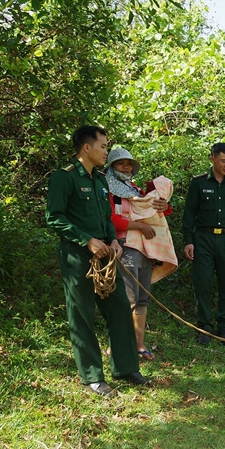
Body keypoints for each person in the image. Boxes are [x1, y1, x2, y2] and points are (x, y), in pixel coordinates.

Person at [46, 125, 149, 397]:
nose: (106, 151)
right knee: (82, 316)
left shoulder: (100, 179)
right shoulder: (64, 178)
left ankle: (126, 368)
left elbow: (105, 218)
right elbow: (54, 218)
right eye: (103, 146)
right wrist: (86, 240)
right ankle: (92, 376)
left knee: (118, 309)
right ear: (86, 147)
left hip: (106, 255)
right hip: (77, 256)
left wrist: (113, 239)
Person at [106, 147, 178, 361]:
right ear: (111, 166)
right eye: (120, 163)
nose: (126, 167)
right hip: (124, 245)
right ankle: (117, 345)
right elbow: (109, 219)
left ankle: (138, 344)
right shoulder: (107, 189)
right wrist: (136, 226)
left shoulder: (134, 189)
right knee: (125, 298)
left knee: (141, 298)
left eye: (129, 164)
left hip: (146, 248)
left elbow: (151, 210)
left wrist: (164, 206)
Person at [181, 142, 225, 345]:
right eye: (223, 161)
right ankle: (204, 328)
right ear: (212, 158)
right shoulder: (199, 183)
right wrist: (188, 241)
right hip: (203, 239)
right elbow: (189, 214)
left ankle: (224, 329)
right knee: (202, 283)